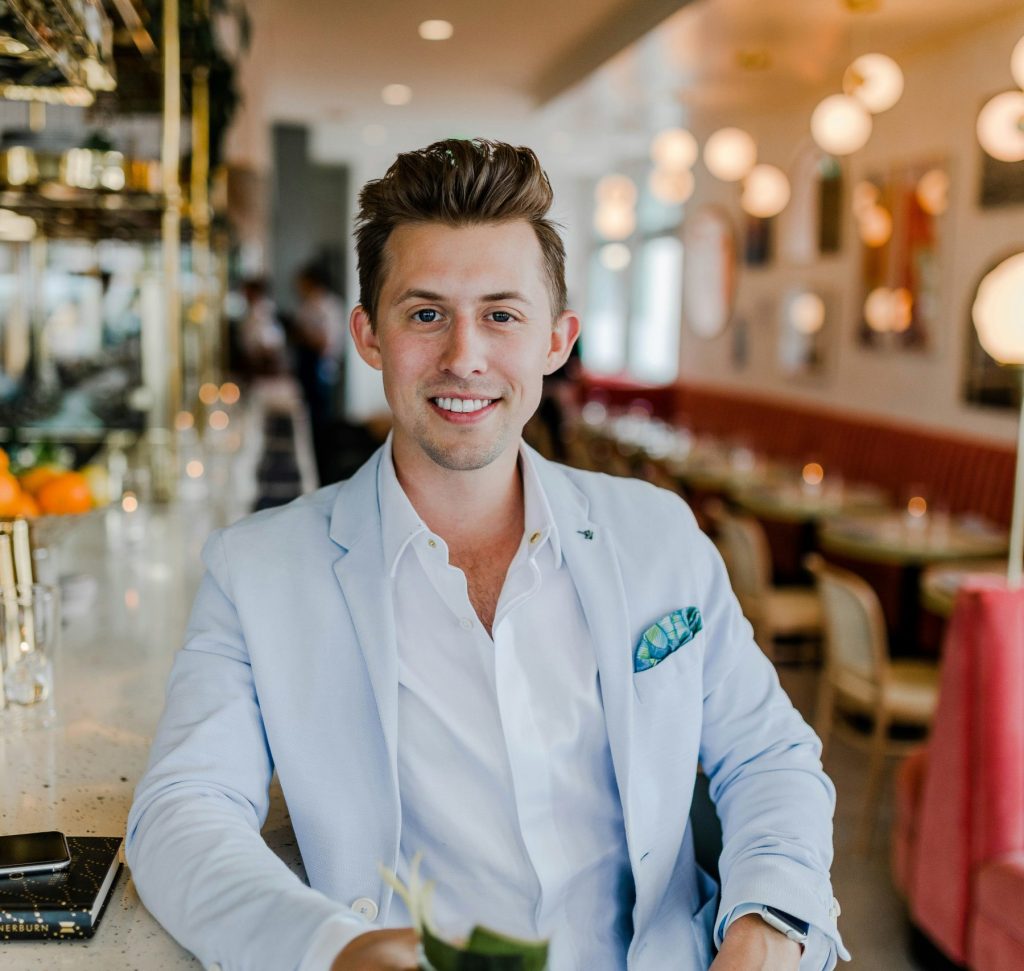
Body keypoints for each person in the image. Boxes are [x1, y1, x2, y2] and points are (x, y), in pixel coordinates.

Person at [127, 139, 849, 971]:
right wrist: (333, 949)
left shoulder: (659, 533)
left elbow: (768, 754)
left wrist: (767, 929)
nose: (464, 354)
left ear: (556, 339)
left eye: (502, 314)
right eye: (425, 312)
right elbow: (180, 812)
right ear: (369, 335)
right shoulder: (254, 571)